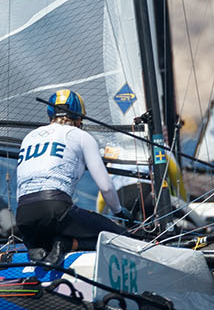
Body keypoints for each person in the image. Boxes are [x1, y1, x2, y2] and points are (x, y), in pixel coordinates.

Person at [14, 88, 131, 258]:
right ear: (78, 116)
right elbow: (106, 188)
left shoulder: (29, 137)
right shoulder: (81, 136)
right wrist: (118, 210)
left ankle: (42, 249)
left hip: (23, 219)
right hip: (55, 209)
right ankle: (67, 244)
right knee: (120, 237)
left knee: (49, 239)